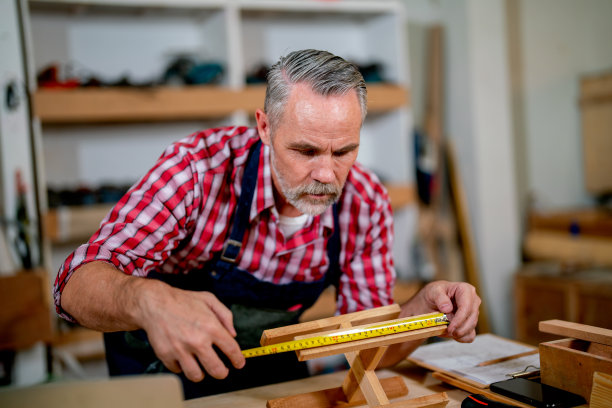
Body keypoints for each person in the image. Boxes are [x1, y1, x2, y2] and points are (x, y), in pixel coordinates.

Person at [53, 49, 480, 399]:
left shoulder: (364, 201)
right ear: (264, 127)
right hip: (158, 379)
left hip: (265, 384)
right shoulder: (196, 171)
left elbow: (363, 347)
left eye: (344, 151)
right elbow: (72, 285)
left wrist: (421, 313)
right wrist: (147, 299)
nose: (327, 175)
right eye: (305, 151)